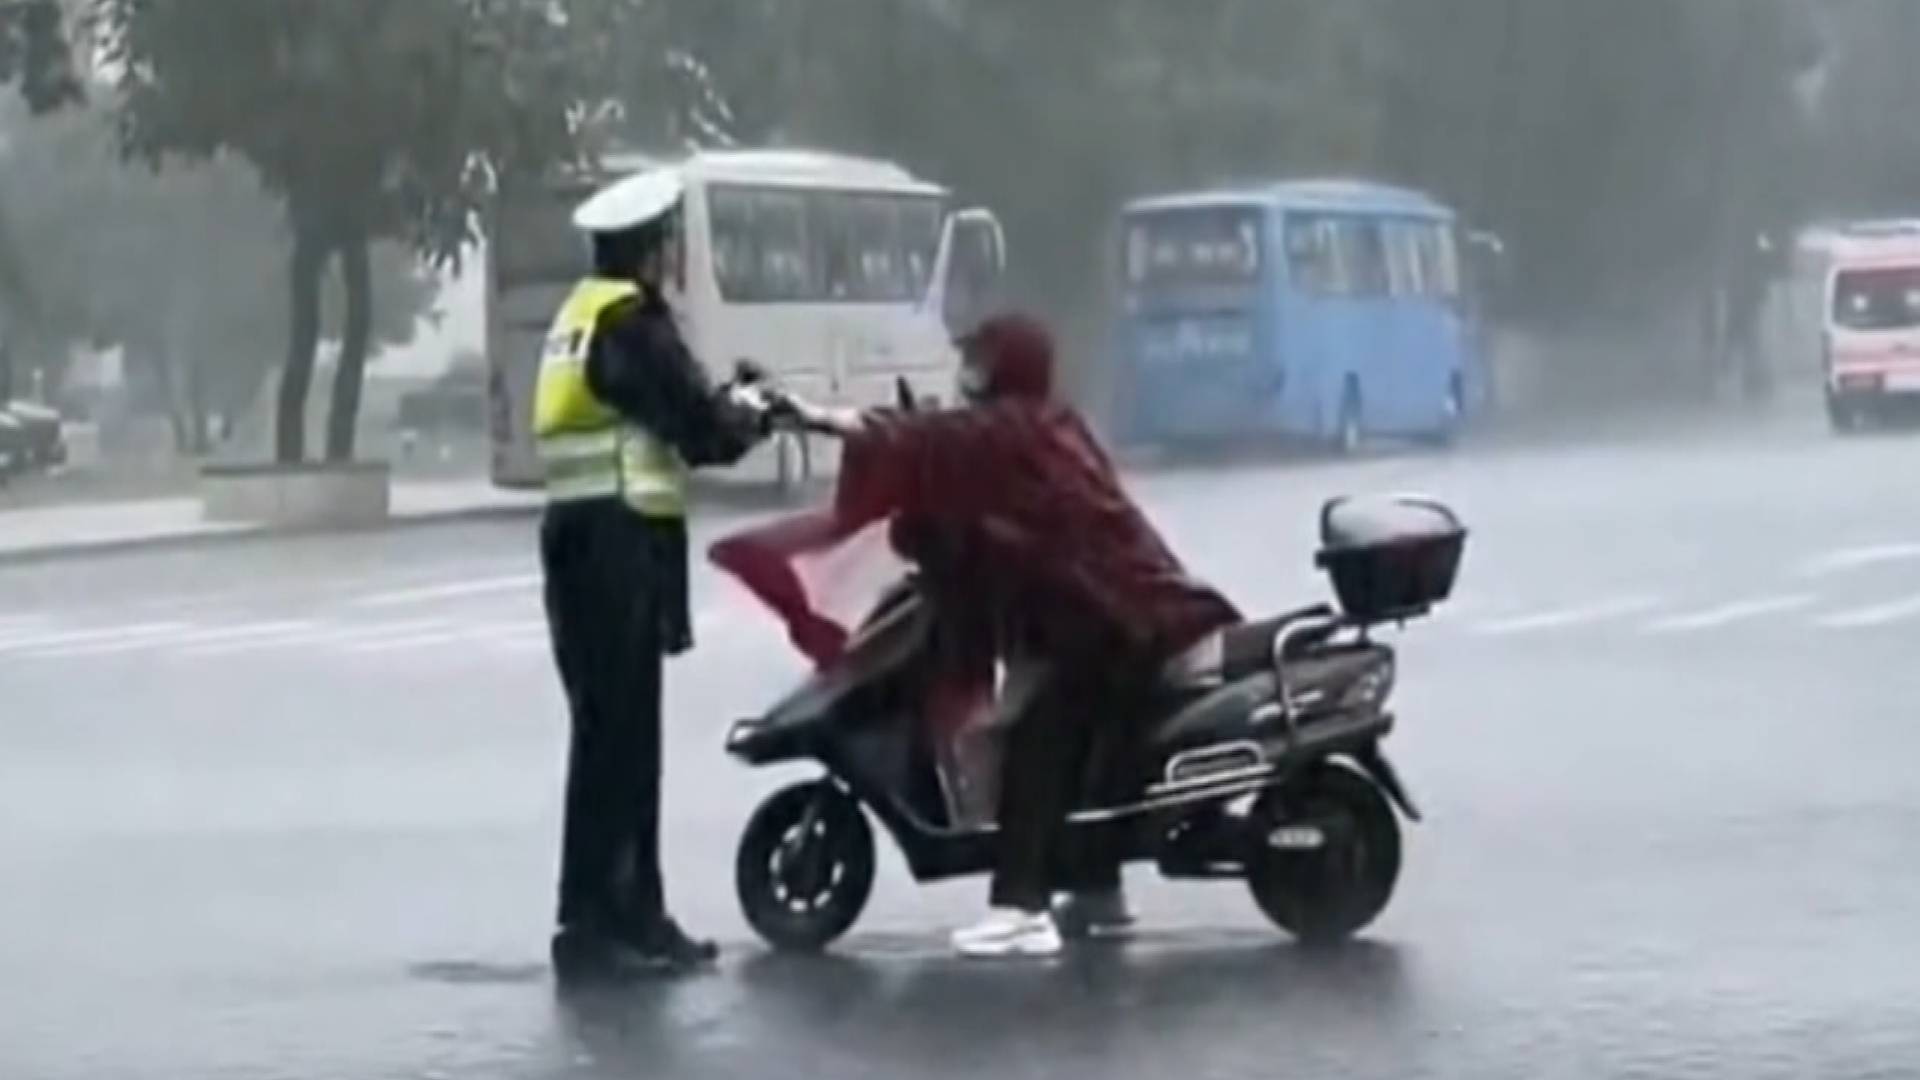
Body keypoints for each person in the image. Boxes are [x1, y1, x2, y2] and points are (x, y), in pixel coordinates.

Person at [788, 313, 1239, 958]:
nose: (971, 377)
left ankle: (1021, 906)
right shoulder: (1051, 422)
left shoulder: (1007, 431)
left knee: (1038, 742)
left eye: (982, 363)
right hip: (1136, 610)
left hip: (1111, 617)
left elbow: (914, 438)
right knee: (1096, 750)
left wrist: (806, 414)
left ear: (1009, 368)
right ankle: (1095, 888)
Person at [534, 167, 769, 982]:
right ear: (651, 250)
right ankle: (634, 920)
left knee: (599, 737)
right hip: (618, 547)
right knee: (628, 743)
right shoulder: (633, 323)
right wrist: (751, 415)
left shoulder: (576, 316)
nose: (672, 256)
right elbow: (697, 428)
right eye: (668, 243)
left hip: (574, 543)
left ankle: (589, 917)